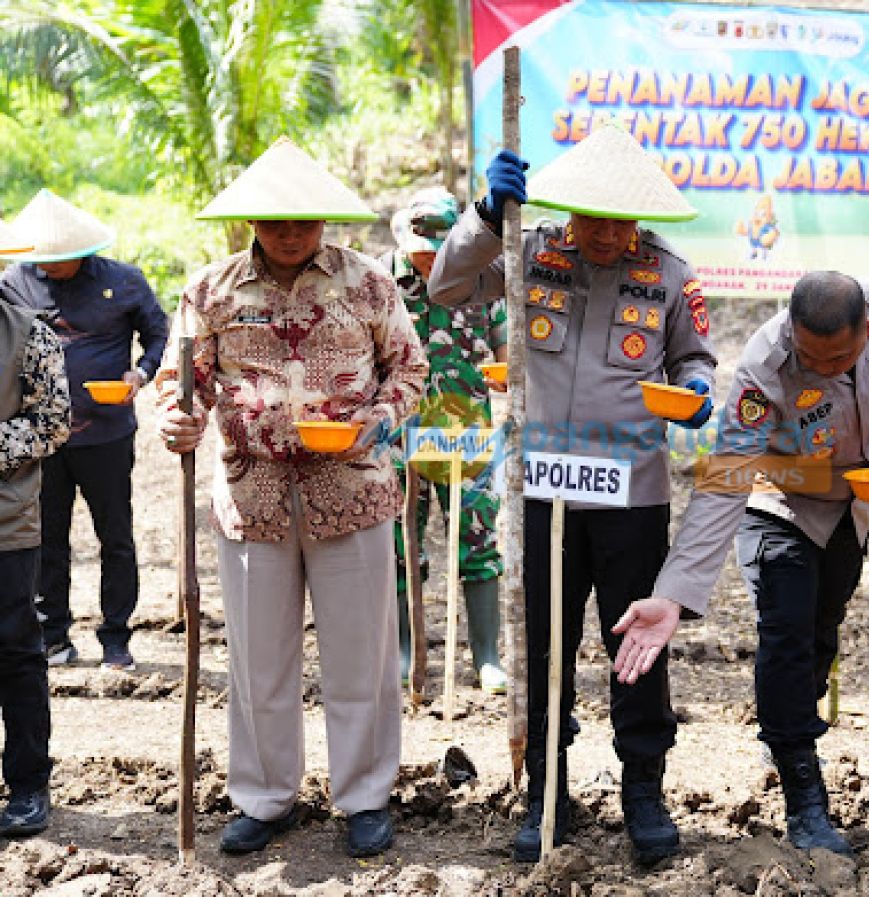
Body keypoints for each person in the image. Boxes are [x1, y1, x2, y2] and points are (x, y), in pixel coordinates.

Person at [428, 124, 717, 864]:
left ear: (640, 219)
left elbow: (694, 358)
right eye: (592, 217)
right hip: (540, 490)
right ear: (569, 210)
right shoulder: (530, 249)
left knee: (637, 648)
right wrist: (487, 217)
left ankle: (642, 789)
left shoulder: (670, 272)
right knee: (543, 648)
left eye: (619, 221)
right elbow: (447, 285)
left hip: (632, 495)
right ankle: (545, 791)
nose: (604, 233)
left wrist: (695, 389)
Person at [156, 138, 427, 858]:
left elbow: (409, 369)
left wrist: (381, 418)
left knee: (361, 655)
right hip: (253, 497)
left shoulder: (370, 284)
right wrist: (177, 417)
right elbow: (180, 381)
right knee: (258, 659)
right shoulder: (209, 291)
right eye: (275, 220)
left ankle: (365, 795)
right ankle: (265, 796)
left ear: (324, 219)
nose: (289, 233)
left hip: (355, 490)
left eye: (302, 220)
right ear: (252, 220)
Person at [614, 270, 869, 855]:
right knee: (786, 637)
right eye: (810, 358)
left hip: (850, 506)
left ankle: (786, 730)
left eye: (837, 359)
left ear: (866, 330)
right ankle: (805, 800)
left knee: (819, 634)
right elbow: (727, 475)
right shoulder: (765, 365)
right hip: (776, 500)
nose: (821, 370)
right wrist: (675, 594)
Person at [0, 190, 168, 672]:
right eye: (43, 260)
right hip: (36, 436)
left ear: (82, 253)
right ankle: (53, 635)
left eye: (59, 261)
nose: (48, 268)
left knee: (115, 534)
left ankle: (116, 637)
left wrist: (141, 373)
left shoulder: (124, 281)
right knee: (47, 537)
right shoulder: (15, 281)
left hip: (107, 432)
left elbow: (156, 332)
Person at [381, 188, 508, 695]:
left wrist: (505, 372)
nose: (429, 255)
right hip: (393, 434)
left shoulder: (481, 283)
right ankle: (405, 652)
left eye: (439, 245)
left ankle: (486, 657)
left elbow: (506, 349)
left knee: (477, 534)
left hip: (463, 432)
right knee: (397, 539)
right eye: (421, 246)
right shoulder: (380, 285)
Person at [0, 217, 71, 836]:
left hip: (5, 524)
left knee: (17, 651)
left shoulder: (29, 333)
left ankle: (26, 784)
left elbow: (51, 423)